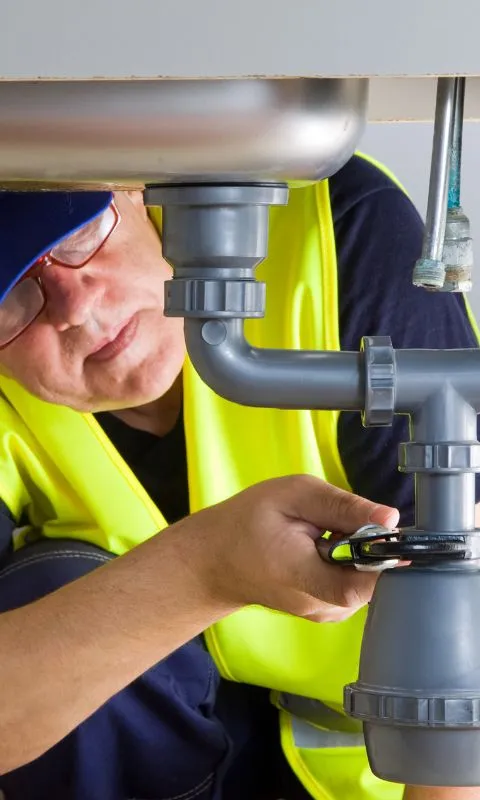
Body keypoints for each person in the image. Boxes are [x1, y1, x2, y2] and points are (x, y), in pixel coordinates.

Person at [0, 154, 477, 800]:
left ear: (131, 184)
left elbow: (467, 609)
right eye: (11, 293)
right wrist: (204, 568)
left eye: (81, 233)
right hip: (174, 774)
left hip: (391, 777)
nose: (76, 306)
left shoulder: (328, 233)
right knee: (45, 594)